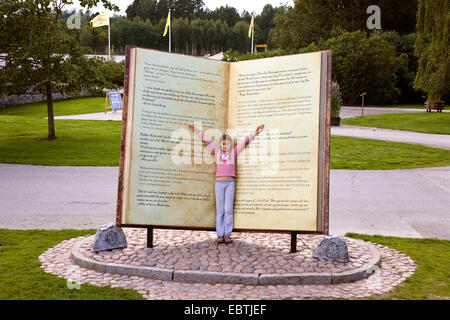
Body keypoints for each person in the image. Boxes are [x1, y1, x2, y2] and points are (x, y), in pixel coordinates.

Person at [189, 124, 264, 244]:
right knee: (220, 210)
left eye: (227, 144)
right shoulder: (217, 152)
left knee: (228, 209)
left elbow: (244, 142)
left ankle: (227, 234)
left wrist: (255, 132)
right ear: (221, 145)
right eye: (223, 144)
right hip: (219, 183)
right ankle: (220, 234)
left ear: (230, 145)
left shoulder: (234, 152)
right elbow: (207, 140)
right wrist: (196, 130)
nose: (225, 146)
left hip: (230, 183)